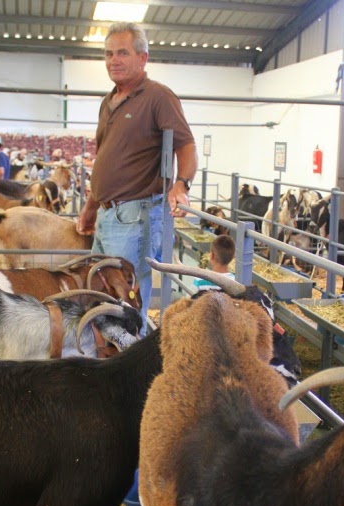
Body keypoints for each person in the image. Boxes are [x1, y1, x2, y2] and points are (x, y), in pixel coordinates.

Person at [76, 22, 197, 327]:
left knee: (125, 302)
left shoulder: (158, 97)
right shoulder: (108, 102)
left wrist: (181, 184)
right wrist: (92, 205)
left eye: (122, 53)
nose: (113, 60)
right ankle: (107, 353)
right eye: (108, 54)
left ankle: (131, 353)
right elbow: (105, 157)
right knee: (99, 291)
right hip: (107, 215)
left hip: (134, 216)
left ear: (143, 58)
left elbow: (186, 144)